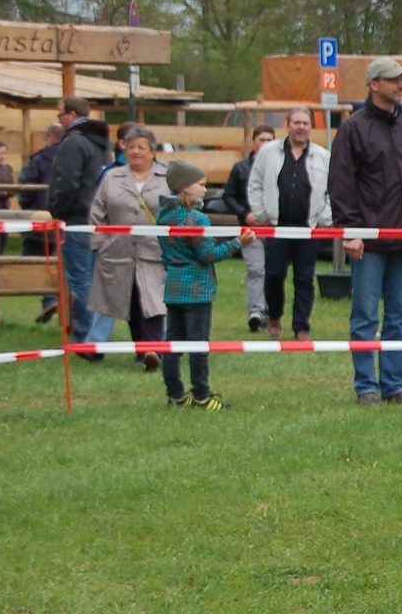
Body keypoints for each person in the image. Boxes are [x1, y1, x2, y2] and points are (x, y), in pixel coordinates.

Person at [328, 57, 402, 405]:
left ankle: (394, 385)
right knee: (365, 317)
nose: (400, 85)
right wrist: (350, 231)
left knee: (401, 316)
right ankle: (366, 386)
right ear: (373, 84)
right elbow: (341, 183)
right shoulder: (353, 128)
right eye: (392, 80)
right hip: (368, 240)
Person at [156, 160, 254, 410]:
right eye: (201, 185)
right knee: (199, 344)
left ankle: (176, 394)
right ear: (185, 188)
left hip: (173, 286)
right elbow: (207, 255)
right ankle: (202, 394)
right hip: (197, 289)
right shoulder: (196, 218)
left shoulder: (164, 215)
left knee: (173, 343)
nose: (205, 190)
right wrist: (237, 243)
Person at [87, 126, 168, 369]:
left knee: (152, 301)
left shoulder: (167, 178)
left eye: (141, 147)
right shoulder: (112, 177)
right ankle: (141, 351)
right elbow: (97, 211)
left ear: (153, 152)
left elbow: (179, 210)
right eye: (131, 146)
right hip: (118, 251)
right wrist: (100, 243)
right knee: (130, 300)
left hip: (154, 252)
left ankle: (154, 350)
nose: (135, 152)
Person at [249, 107, 331, 340]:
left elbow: (332, 191)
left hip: (308, 227)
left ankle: (301, 326)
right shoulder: (269, 153)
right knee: (274, 274)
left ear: (310, 127)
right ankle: (274, 315)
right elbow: (255, 183)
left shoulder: (323, 156)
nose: (301, 127)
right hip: (278, 225)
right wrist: (260, 212)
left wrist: (326, 217)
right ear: (288, 125)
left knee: (304, 278)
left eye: (305, 123)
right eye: (296, 122)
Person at [45, 96, 112, 349]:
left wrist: (58, 211)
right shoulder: (101, 142)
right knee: (95, 279)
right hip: (99, 218)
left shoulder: (73, 142)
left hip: (76, 218)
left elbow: (67, 182)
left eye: (60, 115)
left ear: (72, 115)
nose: (59, 120)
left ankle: (86, 336)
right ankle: (95, 334)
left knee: (81, 279)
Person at [222, 124, 276, 331]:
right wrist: (246, 215)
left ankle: (272, 311)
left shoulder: (282, 167)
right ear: (254, 141)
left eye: (270, 140)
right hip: (250, 229)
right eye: (262, 139)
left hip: (274, 228)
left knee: (274, 271)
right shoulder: (241, 168)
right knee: (256, 269)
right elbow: (229, 195)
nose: (266, 144)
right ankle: (256, 311)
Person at [19, 122, 65, 322]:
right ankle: (56, 301)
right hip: (65, 219)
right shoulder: (73, 158)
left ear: (51, 137)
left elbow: (25, 188)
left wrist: (28, 209)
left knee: (35, 262)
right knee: (61, 261)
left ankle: (48, 300)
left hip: (39, 220)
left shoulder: (38, 159)